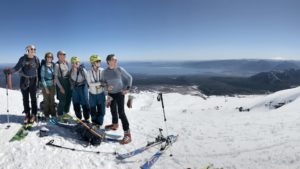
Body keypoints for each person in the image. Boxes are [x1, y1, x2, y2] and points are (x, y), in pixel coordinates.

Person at [3, 45, 40, 124]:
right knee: (25, 98)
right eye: (32, 49)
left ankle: (33, 114)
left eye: (34, 49)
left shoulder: (36, 59)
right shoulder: (22, 59)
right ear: (27, 50)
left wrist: (40, 81)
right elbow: (16, 68)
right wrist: (9, 71)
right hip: (24, 80)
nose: (33, 50)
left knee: (33, 98)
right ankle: (27, 114)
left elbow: (39, 70)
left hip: (33, 80)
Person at [102, 54, 133, 144]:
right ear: (108, 61)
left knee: (121, 113)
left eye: (116, 60)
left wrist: (127, 89)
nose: (116, 61)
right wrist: (107, 87)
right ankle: (115, 125)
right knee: (113, 111)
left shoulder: (119, 69)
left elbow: (130, 78)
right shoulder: (104, 72)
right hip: (111, 94)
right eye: (114, 59)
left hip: (120, 93)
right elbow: (103, 83)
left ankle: (128, 134)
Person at [86, 55, 106, 127]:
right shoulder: (88, 72)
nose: (99, 62)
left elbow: (105, 81)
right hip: (92, 94)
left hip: (101, 94)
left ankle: (99, 124)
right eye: (97, 61)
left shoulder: (102, 70)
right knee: (93, 110)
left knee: (102, 111)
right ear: (93, 62)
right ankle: (94, 123)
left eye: (99, 61)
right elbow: (89, 84)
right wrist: (100, 83)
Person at [69, 56, 90, 121]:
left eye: (76, 62)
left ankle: (87, 118)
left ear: (79, 63)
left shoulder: (82, 70)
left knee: (85, 102)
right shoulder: (71, 71)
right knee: (76, 102)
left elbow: (88, 79)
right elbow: (70, 79)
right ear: (71, 63)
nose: (75, 64)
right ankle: (79, 118)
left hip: (83, 87)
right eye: (73, 63)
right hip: (75, 88)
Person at [54, 51, 72, 119]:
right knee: (62, 100)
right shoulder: (57, 65)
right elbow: (55, 78)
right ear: (58, 55)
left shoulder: (66, 63)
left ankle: (66, 112)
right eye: (62, 54)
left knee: (68, 98)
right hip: (61, 83)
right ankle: (60, 114)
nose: (64, 55)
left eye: (64, 54)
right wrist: (60, 88)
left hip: (68, 83)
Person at [40, 52, 56, 119]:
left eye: (51, 57)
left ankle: (53, 114)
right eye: (48, 57)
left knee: (52, 99)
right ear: (46, 58)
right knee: (46, 100)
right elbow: (42, 77)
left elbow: (55, 74)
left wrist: (55, 79)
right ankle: (46, 114)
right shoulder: (44, 66)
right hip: (45, 85)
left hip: (52, 85)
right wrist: (45, 87)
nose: (49, 58)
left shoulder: (53, 65)